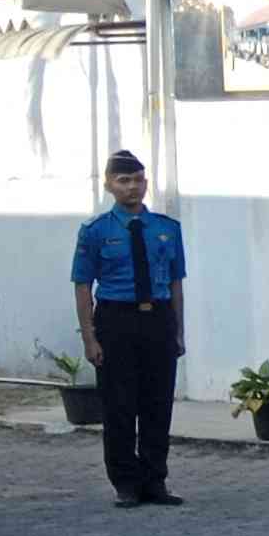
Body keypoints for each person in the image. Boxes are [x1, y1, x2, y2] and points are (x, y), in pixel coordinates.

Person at [71, 150, 187, 508]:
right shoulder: (96, 231)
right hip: (116, 319)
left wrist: (178, 331)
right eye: (123, 181)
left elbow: (176, 283)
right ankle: (126, 483)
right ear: (109, 184)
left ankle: (155, 481)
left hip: (158, 319)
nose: (132, 187)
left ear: (147, 183)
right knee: (120, 406)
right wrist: (90, 336)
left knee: (157, 404)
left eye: (138, 180)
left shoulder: (167, 229)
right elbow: (81, 285)